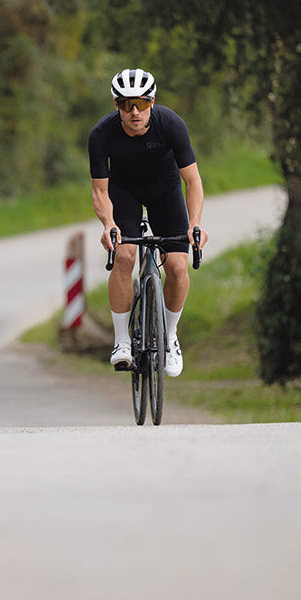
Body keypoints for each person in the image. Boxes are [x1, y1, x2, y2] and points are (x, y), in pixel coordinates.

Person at [89, 67, 208, 376]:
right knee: (125, 254)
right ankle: (122, 341)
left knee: (178, 267)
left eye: (141, 103)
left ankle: (170, 338)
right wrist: (108, 224)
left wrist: (194, 224)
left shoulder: (170, 124)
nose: (134, 111)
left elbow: (192, 182)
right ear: (116, 105)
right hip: (123, 191)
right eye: (126, 104)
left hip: (165, 190)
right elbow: (100, 191)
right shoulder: (101, 134)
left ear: (152, 102)